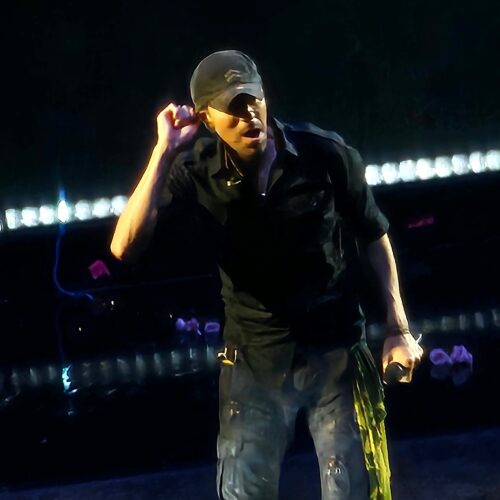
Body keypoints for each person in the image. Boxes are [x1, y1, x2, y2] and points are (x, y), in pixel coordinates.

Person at [110, 49, 423, 500]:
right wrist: (164, 152)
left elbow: (374, 235)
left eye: (253, 100)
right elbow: (124, 246)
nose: (249, 116)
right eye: (233, 109)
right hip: (253, 360)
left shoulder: (324, 154)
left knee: (354, 489)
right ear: (206, 117)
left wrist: (398, 329)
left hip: (334, 349)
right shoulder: (195, 170)